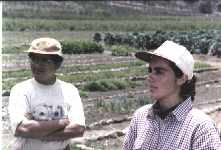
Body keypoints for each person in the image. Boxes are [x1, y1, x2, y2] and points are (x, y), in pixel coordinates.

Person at [123, 40, 221, 149]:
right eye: (150, 70)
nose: (149, 77)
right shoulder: (140, 117)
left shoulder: (200, 128)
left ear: (181, 78)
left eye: (159, 71)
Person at [8, 37, 86, 150]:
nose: (38, 65)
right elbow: (22, 129)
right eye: (34, 59)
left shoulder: (70, 90)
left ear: (57, 64)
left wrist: (39, 131)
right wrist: (62, 123)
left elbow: (78, 129)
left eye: (45, 60)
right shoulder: (20, 90)